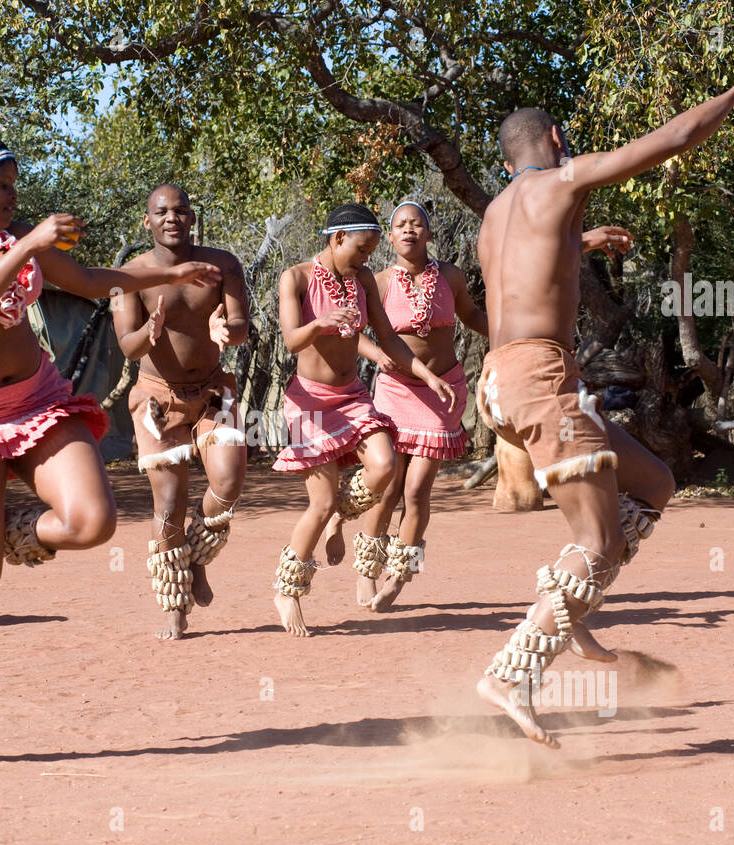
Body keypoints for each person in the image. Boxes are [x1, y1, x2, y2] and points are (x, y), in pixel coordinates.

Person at [474, 79, 734, 747]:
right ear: (556, 141)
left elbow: (528, 271)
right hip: (542, 383)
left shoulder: (495, 214)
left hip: (499, 384)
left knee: (654, 481)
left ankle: (566, 606)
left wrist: (585, 240)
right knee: (596, 543)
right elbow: (671, 140)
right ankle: (517, 668)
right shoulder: (562, 180)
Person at [0, 133, 220, 768]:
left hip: (38, 402)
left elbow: (96, 280)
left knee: (93, 522)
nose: (15, 198)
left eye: (15, 186)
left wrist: (167, 272)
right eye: (4, 185)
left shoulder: (16, 238)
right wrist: (30, 245)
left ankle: (18, 527)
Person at [272, 203, 455, 637]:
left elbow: (387, 337)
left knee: (385, 466)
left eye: (372, 250)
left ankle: (340, 519)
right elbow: (291, 340)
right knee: (318, 503)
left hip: (352, 396)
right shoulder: (295, 278)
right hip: (310, 402)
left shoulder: (364, 279)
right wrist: (320, 324)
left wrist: (426, 373)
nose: (367, 258)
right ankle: (288, 588)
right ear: (337, 240)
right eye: (361, 249)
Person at [113, 184, 251, 640]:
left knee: (228, 481)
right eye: (162, 212)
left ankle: (195, 553)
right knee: (168, 504)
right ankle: (176, 603)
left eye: (181, 210)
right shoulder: (130, 276)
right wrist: (148, 334)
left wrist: (225, 330)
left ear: (192, 218)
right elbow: (127, 347)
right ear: (147, 222)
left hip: (212, 392)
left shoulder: (222, 265)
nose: (172, 217)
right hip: (158, 399)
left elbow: (240, 325)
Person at [353, 200, 489, 611]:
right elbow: (351, 332)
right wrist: (377, 357)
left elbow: (471, 316)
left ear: (428, 233)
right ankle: (366, 570)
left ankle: (400, 572)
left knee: (416, 490)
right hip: (395, 390)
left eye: (417, 224)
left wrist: (511, 331)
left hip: (443, 391)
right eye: (400, 225)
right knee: (389, 484)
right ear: (389, 238)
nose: (409, 230)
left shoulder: (451, 276)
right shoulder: (376, 282)